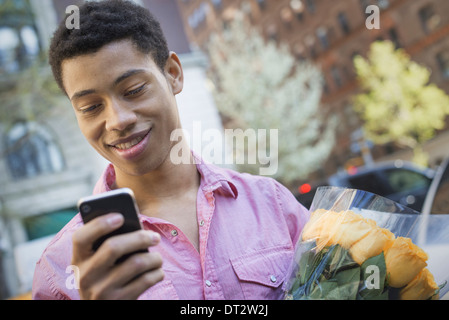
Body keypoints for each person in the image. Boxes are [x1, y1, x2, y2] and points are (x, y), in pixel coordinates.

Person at [32, 0, 309, 300]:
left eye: (134, 90)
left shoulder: (272, 204)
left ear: (173, 73)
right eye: (90, 107)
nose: (118, 120)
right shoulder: (59, 269)